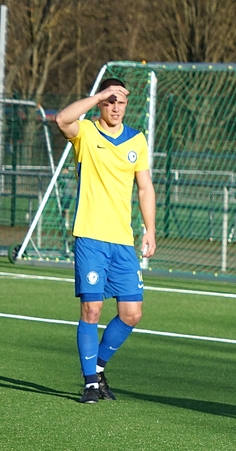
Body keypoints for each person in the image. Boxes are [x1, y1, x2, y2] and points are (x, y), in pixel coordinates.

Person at [55, 78, 156, 404]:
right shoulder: (85, 133)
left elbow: (145, 188)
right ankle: (89, 384)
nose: (115, 108)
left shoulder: (136, 140)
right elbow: (62, 119)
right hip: (90, 237)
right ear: (100, 103)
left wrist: (150, 229)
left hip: (123, 241)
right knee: (92, 309)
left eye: (120, 102)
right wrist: (98, 94)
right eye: (110, 102)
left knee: (132, 313)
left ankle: (97, 368)